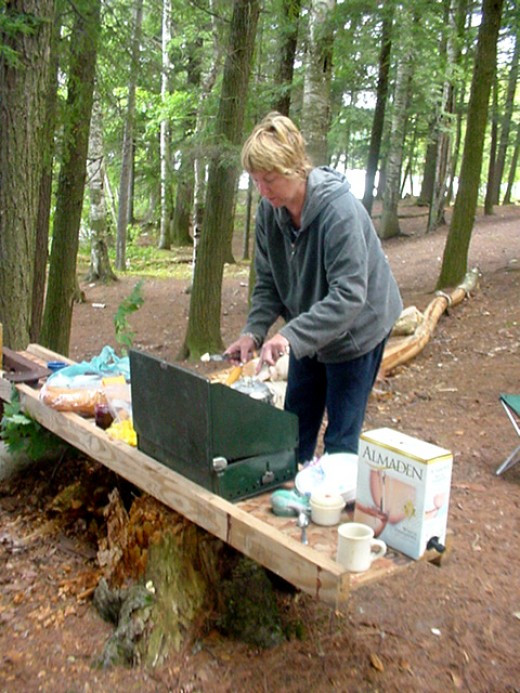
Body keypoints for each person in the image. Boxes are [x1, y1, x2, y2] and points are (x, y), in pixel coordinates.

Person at [224, 112, 403, 463]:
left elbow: (349, 296)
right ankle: (286, 504)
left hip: (358, 332)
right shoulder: (270, 214)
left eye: (270, 179)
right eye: (256, 181)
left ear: (294, 169)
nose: (263, 190)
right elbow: (269, 283)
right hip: (309, 330)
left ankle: (332, 507)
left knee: (340, 437)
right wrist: (254, 332)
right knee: (295, 425)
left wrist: (289, 336)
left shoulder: (339, 213)